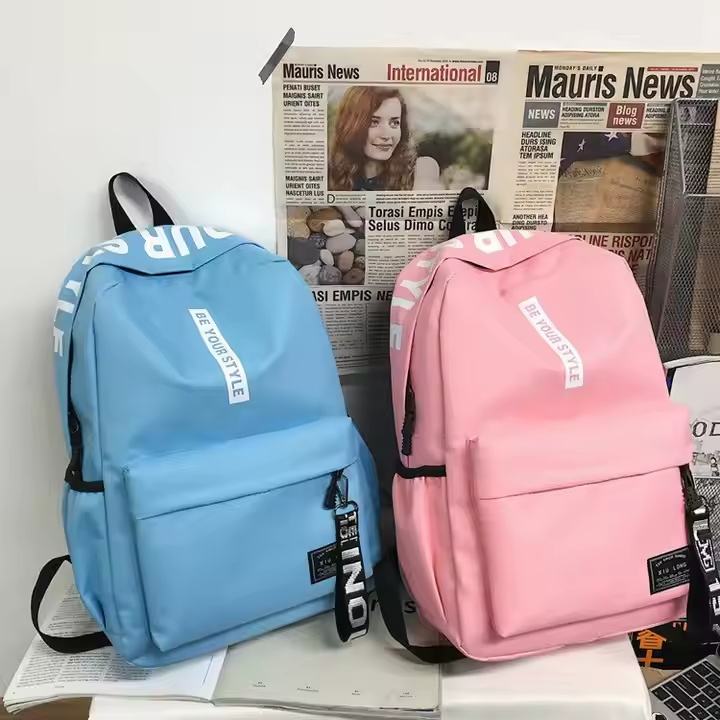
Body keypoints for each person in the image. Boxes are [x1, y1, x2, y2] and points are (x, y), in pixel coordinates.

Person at [328, 86, 439, 191]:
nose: (386, 135)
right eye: (374, 122)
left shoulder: (421, 168)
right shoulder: (331, 173)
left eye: (394, 123)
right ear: (351, 125)